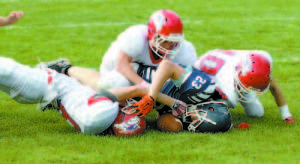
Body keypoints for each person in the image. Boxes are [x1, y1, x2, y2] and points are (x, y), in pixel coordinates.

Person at [46, 9, 197, 91]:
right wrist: (144, 87)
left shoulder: (186, 51)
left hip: (148, 75)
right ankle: (67, 69)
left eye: (173, 42)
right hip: (120, 69)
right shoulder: (136, 37)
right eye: (164, 41)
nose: (169, 46)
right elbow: (122, 65)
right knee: (108, 86)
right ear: (151, 34)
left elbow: (187, 83)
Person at [0, 56, 150, 135]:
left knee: (5, 69)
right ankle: (64, 70)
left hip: (50, 83)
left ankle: (63, 68)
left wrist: (138, 90)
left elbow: (109, 92)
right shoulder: (96, 127)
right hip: (49, 96)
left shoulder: (105, 111)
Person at [122, 60, 233, 133]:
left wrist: (169, 124)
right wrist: (151, 97)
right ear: (209, 109)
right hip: (131, 73)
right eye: (196, 121)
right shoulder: (202, 89)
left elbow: (162, 120)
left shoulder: (187, 118)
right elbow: (167, 66)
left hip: (133, 96)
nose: (191, 122)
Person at [194, 49, 296, 123]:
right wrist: (231, 125)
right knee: (215, 106)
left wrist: (286, 115)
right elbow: (216, 114)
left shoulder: (263, 60)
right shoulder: (226, 82)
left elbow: (274, 87)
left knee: (257, 113)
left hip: (233, 70)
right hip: (206, 72)